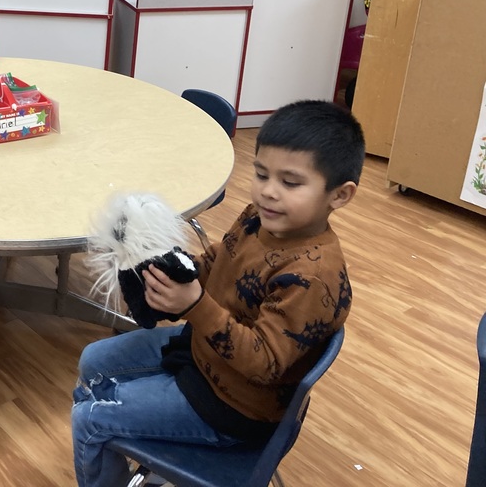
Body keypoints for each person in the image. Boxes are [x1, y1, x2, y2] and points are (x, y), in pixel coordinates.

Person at [71, 100, 363, 487]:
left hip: (234, 409)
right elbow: (213, 263)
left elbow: (264, 363)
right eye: (261, 174)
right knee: (94, 359)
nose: (268, 192)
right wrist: (164, 264)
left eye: (290, 183)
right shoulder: (257, 218)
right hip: (202, 356)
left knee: (88, 420)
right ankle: (129, 444)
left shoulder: (312, 276)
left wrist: (193, 305)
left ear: (339, 195)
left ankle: (116, 449)